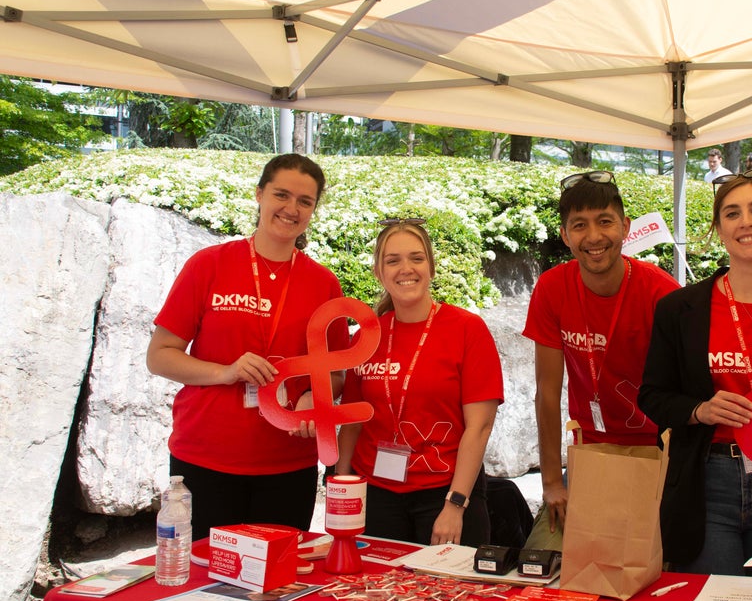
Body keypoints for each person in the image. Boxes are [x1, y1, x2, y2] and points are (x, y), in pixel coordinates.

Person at [147, 153, 347, 540]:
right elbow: (159, 355)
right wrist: (225, 372)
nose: (291, 209)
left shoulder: (323, 284)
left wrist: (313, 397)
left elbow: (337, 373)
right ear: (259, 194)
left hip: (286, 465)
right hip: (205, 457)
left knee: (276, 587)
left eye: (305, 202)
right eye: (282, 195)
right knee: (202, 587)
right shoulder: (209, 265)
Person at [639, 167, 752, 574]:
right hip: (707, 481)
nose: (746, 222)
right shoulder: (679, 310)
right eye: (732, 213)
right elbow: (651, 395)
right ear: (719, 229)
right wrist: (700, 410)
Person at [522, 170, 680, 549]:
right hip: (590, 454)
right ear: (564, 235)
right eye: (579, 225)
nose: (593, 237)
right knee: (543, 560)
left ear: (625, 227)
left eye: (605, 222)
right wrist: (552, 482)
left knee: (644, 566)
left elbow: (684, 391)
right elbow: (547, 392)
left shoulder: (662, 293)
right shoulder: (552, 288)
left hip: (654, 453)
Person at [337, 219, 503, 547]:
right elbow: (354, 421)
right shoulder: (366, 337)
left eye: (416, 258)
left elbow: (480, 427)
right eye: (393, 260)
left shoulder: (466, 329)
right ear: (378, 271)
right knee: (378, 593)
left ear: (431, 266)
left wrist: (455, 505)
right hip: (377, 494)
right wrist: (341, 488)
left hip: (445, 494)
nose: (406, 269)